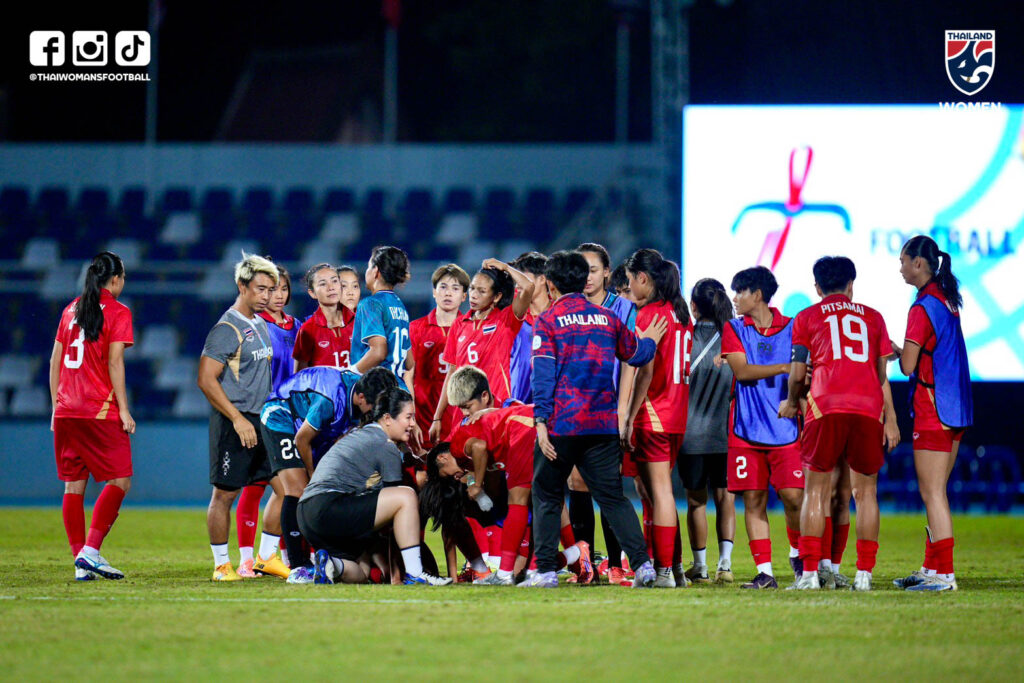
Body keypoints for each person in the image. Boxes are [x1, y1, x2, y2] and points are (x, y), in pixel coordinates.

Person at [526, 250, 667, 588]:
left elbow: (542, 376)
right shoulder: (607, 318)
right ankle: (643, 566)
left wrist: (540, 421)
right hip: (602, 425)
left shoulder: (548, 320)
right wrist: (651, 341)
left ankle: (546, 571)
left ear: (550, 284)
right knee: (613, 498)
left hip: (562, 424)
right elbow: (637, 354)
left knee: (547, 494)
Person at [780, 256, 899, 591]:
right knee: (866, 493)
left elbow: (797, 374)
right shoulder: (874, 317)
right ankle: (864, 575)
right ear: (851, 285)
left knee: (815, 491)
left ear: (817, 287)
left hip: (825, 405)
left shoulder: (806, 317)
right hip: (867, 408)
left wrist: (792, 401)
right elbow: (880, 374)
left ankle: (809, 575)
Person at [297, 388, 453, 585]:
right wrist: (397, 573)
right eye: (408, 417)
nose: (413, 424)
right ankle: (415, 574)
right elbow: (395, 510)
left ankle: (331, 564)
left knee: (362, 572)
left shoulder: (360, 434)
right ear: (387, 418)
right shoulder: (385, 445)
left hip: (306, 514)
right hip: (329, 506)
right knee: (406, 496)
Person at [259, 366, 398, 583]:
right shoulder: (330, 399)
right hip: (281, 416)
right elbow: (302, 439)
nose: (376, 413)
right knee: (298, 488)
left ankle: (327, 557)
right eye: (374, 407)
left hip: (310, 425)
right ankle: (297, 566)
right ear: (361, 398)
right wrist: (313, 474)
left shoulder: (367, 391)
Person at [891, 235, 972, 591]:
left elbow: (908, 366)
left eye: (903, 261)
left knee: (933, 493)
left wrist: (894, 352)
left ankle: (945, 574)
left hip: (934, 409)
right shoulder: (945, 299)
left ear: (919, 264)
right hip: (955, 409)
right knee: (935, 491)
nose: (900, 268)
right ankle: (931, 567)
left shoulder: (922, 307)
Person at [50, 251, 135, 580]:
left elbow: (55, 361)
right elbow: (114, 362)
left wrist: (56, 407)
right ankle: (91, 551)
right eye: (123, 278)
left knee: (73, 486)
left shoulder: (70, 309)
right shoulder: (118, 311)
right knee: (120, 479)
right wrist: (124, 409)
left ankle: (80, 563)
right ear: (115, 280)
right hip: (97, 408)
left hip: (66, 409)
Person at [720, 266, 803, 589]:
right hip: (746, 430)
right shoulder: (734, 328)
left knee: (794, 498)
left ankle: (798, 555)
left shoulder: (793, 327)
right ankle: (765, 572)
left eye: (740, 292)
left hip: (786, 429)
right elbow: (741, 372)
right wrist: (783, 367)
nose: (735, 298)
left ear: (757, 295)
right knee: (753, 500)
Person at [197, 253, 277, 581]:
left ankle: (266, 558)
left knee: (288, 487)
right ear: (242, 287)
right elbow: (206, 379)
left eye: (271, 289)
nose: (267, 296)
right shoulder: (227, 328)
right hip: (235, 421)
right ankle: (221, 565)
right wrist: (237, 419)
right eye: (260, 289)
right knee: (225, 495)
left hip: (263, 420)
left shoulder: (260, 323)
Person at [623, 249, 694, 587]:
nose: (629, 288)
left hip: (653, 413)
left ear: (643, 278)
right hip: (677, 413)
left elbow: (645, 372)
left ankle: (663, 571)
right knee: (656, 493)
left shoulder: (648, 315)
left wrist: (628, 417)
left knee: (660, 493)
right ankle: (674, 567)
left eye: (630, 281)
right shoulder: (681, 315)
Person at [570, 243, 637, 573]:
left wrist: (623, 410)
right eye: (582, 271)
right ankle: (587, 565)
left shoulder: (623, 308)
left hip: (607, 411)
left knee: (609, 487)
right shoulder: (569, 307)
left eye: (594, 270)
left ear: (607, 272)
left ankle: (615, 565)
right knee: (576, 482)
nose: (587, 277)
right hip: (573, 411)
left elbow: (630, 362)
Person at [428, 258, 535, 443]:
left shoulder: (506, 321)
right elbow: (452, 373)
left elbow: (529, 287)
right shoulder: (459, 325)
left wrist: (504, 267)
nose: (474, 295)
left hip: (494, 408)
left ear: (497, 297)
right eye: (472, 288)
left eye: (482, 291)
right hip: (463, 409)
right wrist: (437, 417)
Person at [236, 264, 297, 577]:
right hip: (260, 413)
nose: (278, 296)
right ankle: (248, 558)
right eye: (272, 290)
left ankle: (281, 555)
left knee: (288, 487)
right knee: (256, 484)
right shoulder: (255, 326)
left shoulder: (297, 326)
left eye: (284, 289)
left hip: (289, 415)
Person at [678, 278, 737, 584]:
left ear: (694, 306)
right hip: (726, 434)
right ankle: (725, 566)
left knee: (696, 502)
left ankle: (700, 567)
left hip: (691, 435)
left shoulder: (686, 338)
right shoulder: (734, 337)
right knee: (726, 498)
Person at [405, 264, 470, 450]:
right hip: (424, 418)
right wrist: (411, 417)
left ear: (464, 296)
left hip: (459, 417)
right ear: (434, 292)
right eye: (443, 287)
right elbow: (408, 375)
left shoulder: (471, 329)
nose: (448, 293)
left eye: (455, 288)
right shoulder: (416, 328)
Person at [349, 246, 412, 384]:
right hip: (399, 389)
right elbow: (409, 362)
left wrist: (349, 373)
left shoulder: (371, 304)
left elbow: (378, 352)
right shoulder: (400, 306)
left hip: (377, 389)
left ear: (376, 271)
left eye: (368, 266)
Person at [293, 263, 355, 371]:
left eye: (334, 281)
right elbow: (300, 377)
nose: (331, 288)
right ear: (312, 293)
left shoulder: (360, 322)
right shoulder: (307, 330)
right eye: (323, 284)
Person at [508, 251, 550, 404]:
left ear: (542, 279)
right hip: (517, 403)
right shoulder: (512, 315)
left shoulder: (559, 315)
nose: (519, 284)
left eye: (524, 278)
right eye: (517, 279)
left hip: (551, 404)